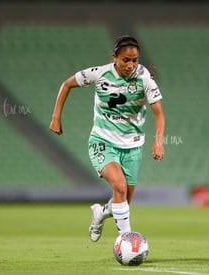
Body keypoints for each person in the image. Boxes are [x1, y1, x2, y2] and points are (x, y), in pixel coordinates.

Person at [49, 35, 165, 242]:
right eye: (126, 60)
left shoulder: (144, 78)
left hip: (133, 146)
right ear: (114, 57)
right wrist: (56, 117)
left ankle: (100, 213)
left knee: (123, 202)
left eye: (135, 60)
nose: (131, 65)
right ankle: (126, 240)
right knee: (119, 186)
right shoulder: (99, 74)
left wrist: (158, 141)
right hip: (103, 141)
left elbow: (159, 114)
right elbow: (66, 84)